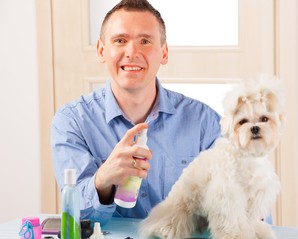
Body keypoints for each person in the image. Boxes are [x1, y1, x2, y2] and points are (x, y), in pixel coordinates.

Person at [51, 0, 221, 225]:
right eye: (120, 40)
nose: (132, 52)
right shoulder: (71, 122)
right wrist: (102, 180)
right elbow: (74, 218)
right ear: (102, 51)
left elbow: (242, 208)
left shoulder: (205, 123)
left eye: (145, 41)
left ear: (164, 53)